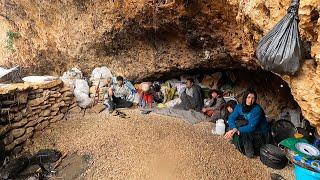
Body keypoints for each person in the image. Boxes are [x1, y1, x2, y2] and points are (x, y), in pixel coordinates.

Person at [224, 88, 269, 158]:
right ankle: (236, 142)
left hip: (261, 132)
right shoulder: (239, 106)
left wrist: (236, 130)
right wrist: (234, 128)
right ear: (245, 97)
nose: (250, 101)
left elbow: (251, 127)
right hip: (251, 126)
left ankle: (249, 153)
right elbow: (231, 118)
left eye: (253, 98)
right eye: (248, 97)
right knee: (236, 124)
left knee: (244, 131)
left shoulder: (257, 109)